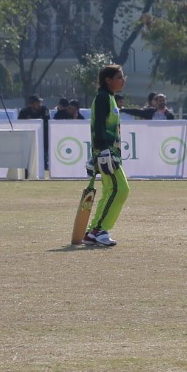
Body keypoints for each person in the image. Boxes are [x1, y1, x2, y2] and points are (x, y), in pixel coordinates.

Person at [83, 64, 129, 247]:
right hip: (106, 152)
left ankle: (93, 231)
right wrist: (101, 151)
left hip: (110, 152)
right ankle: (99, 230)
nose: (123, 80)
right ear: (108, 80)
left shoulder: (109, 97)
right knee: (121, 190)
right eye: (119, 77)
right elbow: (99, 126)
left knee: (111, 190)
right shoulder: (103, 97)